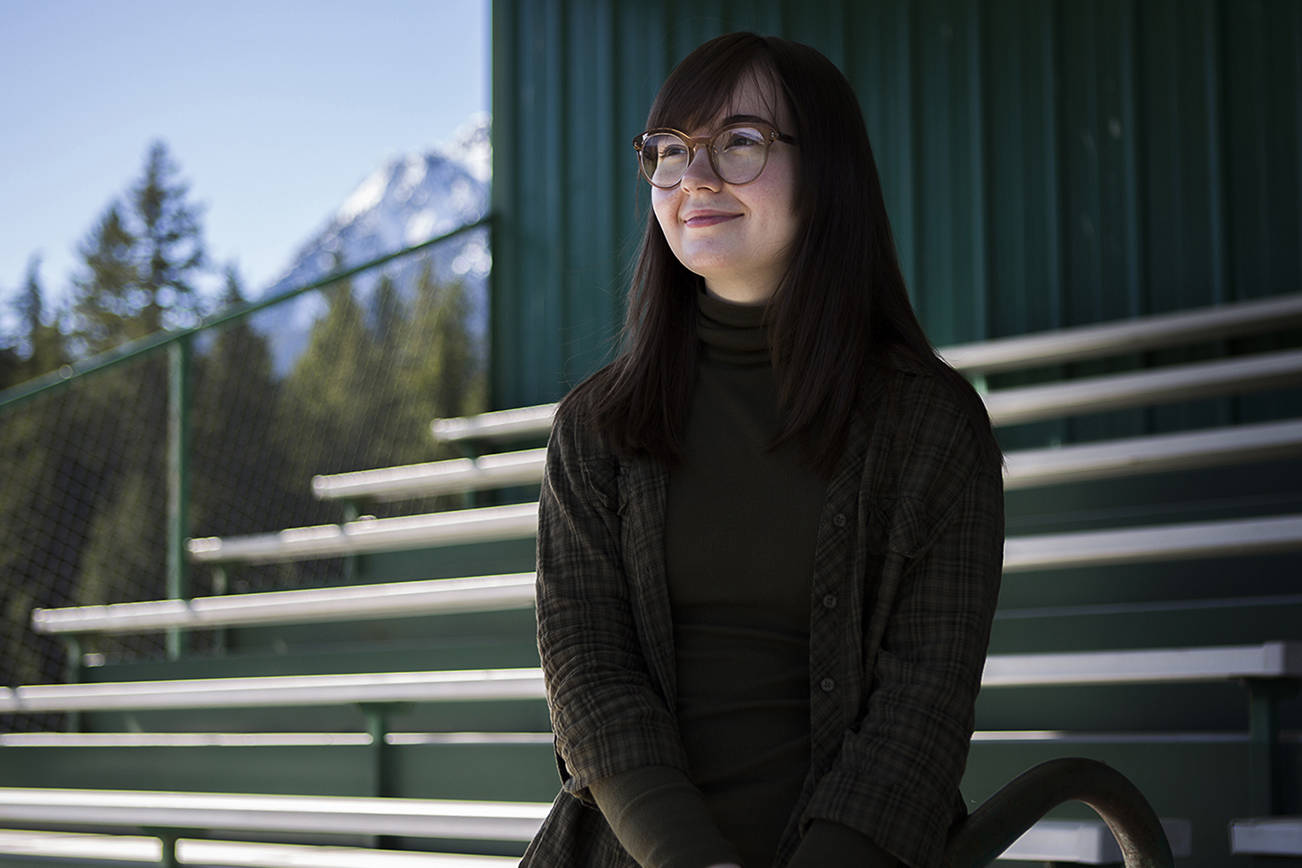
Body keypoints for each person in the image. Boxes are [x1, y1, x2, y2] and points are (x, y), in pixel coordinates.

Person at [520, 32, 1005, 868]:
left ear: (828, 173)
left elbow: (923, 706)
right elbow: (589, 677)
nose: (694, 179)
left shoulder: (933, 426)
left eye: (740, 143)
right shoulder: (595, 428)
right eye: (670, 152)